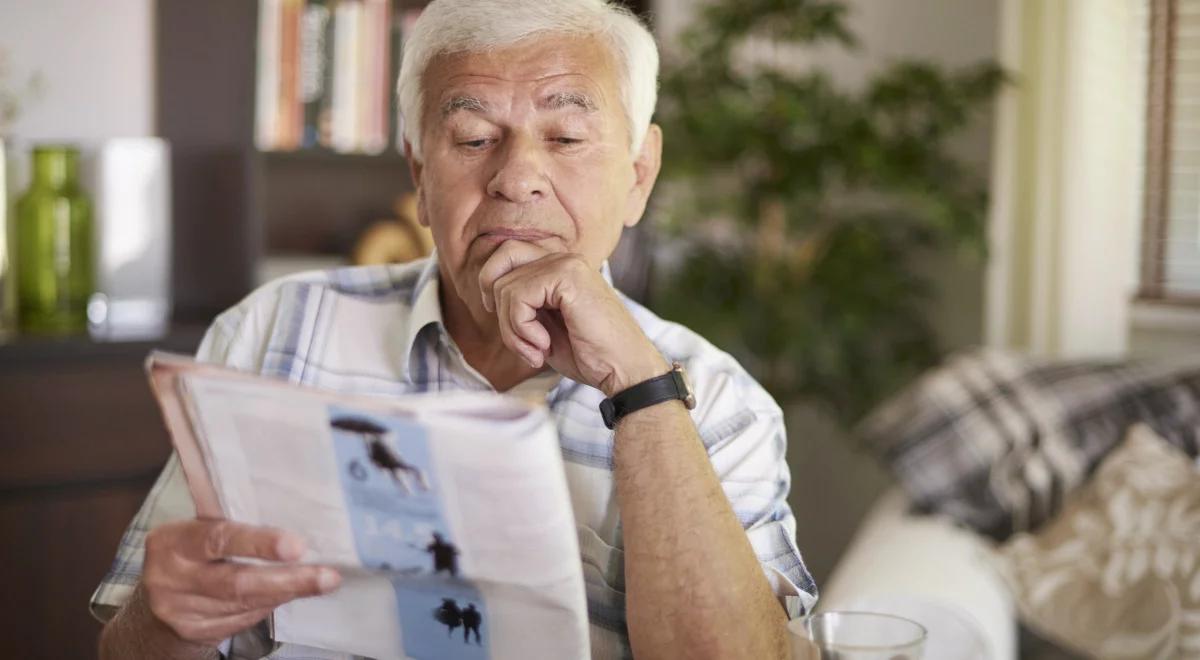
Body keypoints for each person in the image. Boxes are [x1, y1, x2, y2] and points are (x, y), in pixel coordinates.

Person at [92, 1, 817, 658]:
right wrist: (167, 617)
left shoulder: (721, 405)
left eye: (565, 136)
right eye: (472, 139)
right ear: (417, 174)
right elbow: (132, 651)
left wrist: (641, 388)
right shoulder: (272, 331)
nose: (516, 177)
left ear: (638, 176)